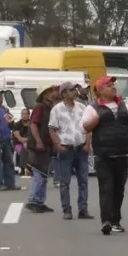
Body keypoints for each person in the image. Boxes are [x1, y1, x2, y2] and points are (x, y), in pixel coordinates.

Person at [82, 76, 128, 235]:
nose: (113, 87)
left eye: (113, 84)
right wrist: (98, 117)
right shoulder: (92, 108)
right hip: (104, 156)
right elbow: (84, 128)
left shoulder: (123, 105)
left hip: (122, 155)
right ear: (100, 90)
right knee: (106, 188)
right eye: (109, 85)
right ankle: (106, 221)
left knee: (119, 190)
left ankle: (116, 220)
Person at [49, 82, 91, 219]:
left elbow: (88, 126)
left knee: (83, 181)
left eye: (75, 89)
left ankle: (83, 209)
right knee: (65, 182)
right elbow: (52, 129)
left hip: (81, 148)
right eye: (71, 90)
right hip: (66, 149)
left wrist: (87, 144)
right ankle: (67, 210)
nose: (75, 92)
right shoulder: (56, 110)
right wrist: (58, 145)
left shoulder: (82, 107)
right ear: (64, 93)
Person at [25, 83, 58, 213]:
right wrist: (38, 141)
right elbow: (33, 125)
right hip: (39, 145)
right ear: (44, 95)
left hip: (45, 145)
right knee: (39, 173)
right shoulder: (40, 107)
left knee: (43, 174)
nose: (53, 93)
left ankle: (39, 201)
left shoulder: (49, 108)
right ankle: (33, 200)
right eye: (50, 91)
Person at [12, 108, 31, 176]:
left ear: (29, 115)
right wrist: (24, 142)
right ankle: (24, 168)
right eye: (23, 114)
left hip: (29, 143)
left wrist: (26, 142)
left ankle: (27, 168)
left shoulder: (32, 124)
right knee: (23, 149)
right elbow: (18, 138)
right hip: (17, 144)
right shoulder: (17, 124)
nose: (24, 116)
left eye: (26, 114)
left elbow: (33, 136)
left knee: (28, 148)